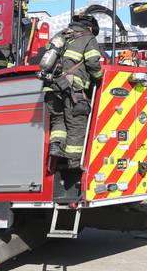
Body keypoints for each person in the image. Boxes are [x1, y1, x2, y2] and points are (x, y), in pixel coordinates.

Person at [42, 13, 103, 164]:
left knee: (58, 120)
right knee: (77, 124)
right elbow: (93, 64)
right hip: (71, 88)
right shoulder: (88, 38)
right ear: (90, 27)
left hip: (51, 87)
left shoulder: (60, 35)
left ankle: (55, 146)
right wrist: (100, 77)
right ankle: (73, 162)